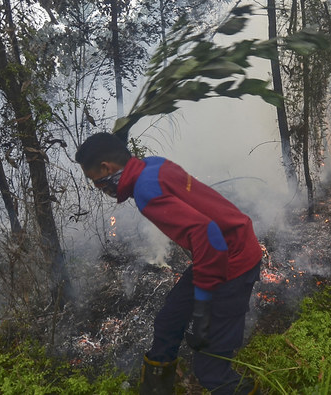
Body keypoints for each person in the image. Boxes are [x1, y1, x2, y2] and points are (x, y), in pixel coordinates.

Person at [75, 133, 262, 394]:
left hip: (234, 259)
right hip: (216, 253)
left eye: (97, 182)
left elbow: (209, 235)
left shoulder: (145, 191)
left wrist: (203, 310)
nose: (101, 189)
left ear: (107, 168)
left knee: (210, 370)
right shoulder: (152, 164)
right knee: (168, 322)